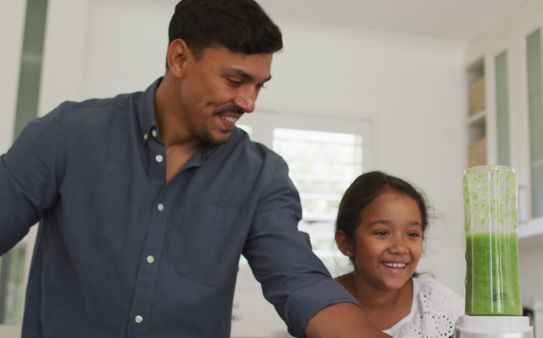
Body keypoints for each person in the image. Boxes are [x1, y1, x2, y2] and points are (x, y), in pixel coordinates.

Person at [0, 0, 390, 337]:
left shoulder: (261, 176)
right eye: (235, 80)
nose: (249, 102)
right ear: (180, 58)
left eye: (259, 85)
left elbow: (301, 283)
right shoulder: (69, 134)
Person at [334, 171, 464, 338]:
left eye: (412, 234)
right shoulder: (318, 305)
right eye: (382, 233)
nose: (400, 248)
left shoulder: (442, 308)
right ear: (346, 243)